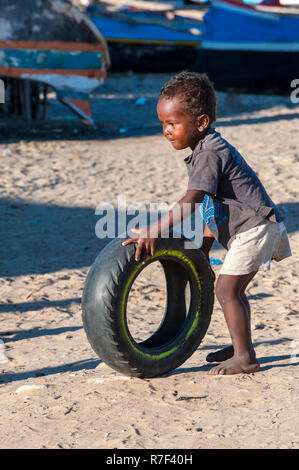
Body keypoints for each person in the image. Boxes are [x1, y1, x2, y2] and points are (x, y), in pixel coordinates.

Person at [122, 71, 292, 375]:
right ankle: (241, 344)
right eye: (163, 123)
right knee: (234, 292)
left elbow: (192, 201)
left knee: (227, 291)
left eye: (173, 123)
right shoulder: (205, 149)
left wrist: (154, 230)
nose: (166, 131)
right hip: (257, 226)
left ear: (201, 122)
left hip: (255, 228)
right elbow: (213, 205)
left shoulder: (210, 152)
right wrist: (204, 246)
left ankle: (246, 358)